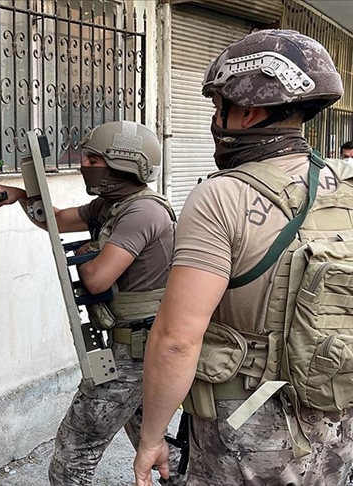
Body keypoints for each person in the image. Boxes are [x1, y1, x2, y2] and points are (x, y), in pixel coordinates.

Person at [134, 30, 353, 486]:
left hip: (247, 427)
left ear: (247, 111)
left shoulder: (222, 195)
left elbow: (177, 340)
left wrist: (151, 436)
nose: (216, 121)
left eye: (220, 109)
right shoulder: (346, 186)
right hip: (334, 418)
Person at [0, 121, 183, 485]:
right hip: (130, 344)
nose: (83, 163)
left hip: (137, 352)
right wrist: (21, 195)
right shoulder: (111, 205)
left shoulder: (142, 213)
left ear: (123, 165)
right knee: (149, 439)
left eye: (93, 158)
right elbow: (56, 221)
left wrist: (88, 250)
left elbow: (96, 277)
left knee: (75, 449)